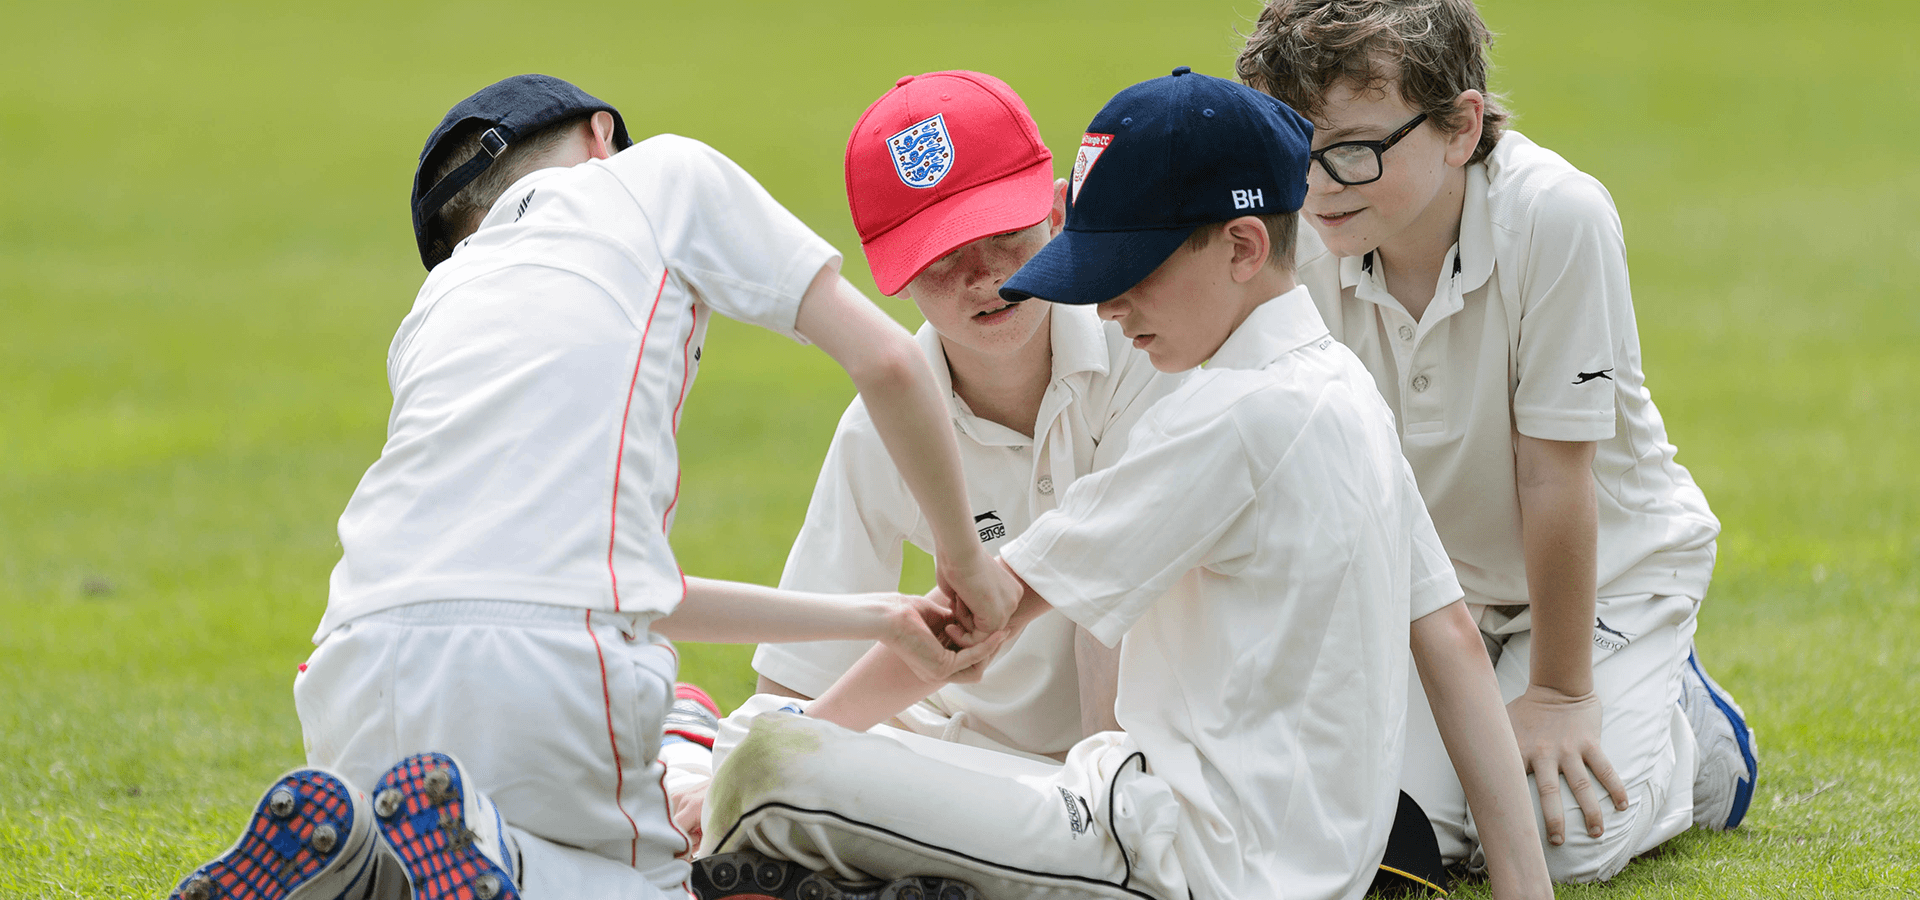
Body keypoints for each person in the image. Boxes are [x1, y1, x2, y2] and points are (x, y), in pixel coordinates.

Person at [696, 68, 1551, 900]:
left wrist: (774, 756)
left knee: (771, 762)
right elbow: (1450, 635)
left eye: (1132, 273)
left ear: (1243, 247)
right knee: (769, 744)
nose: (1107, 306)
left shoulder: (1220, 413)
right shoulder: (1340, 383)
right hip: (1229, 835)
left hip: (1164, 845)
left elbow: (986, 618)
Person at [165, 73, 1017, 900]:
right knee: (674, 884)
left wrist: (878, 618)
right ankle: (506, 855)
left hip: (350, 669)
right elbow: (892, 361)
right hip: (551, 665)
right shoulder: (661, 177)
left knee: (421, 865)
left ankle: (364, 863)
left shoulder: (436, 307)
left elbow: (617, 587)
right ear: (601, 136)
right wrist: (965, 563)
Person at [1235, 0, 1760, 882]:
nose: (1320, 182)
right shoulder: (1301, 234)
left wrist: (1559, 694)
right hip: (1439, 598)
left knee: (1563, 844)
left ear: (1459, 125)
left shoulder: (1555, 216)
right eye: (1295, 146)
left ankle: (1699, 741)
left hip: (1610, 580)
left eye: (1355, 148)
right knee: (1397, 833)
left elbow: (1555, 479)